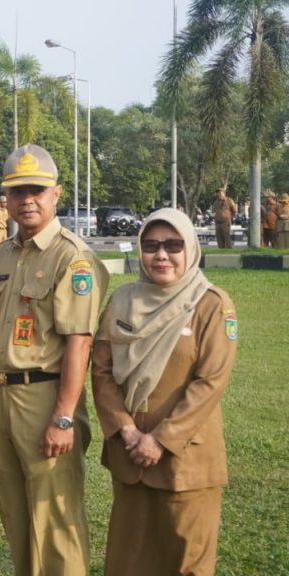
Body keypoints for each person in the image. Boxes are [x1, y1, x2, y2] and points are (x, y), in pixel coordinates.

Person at [0, 144, 109, 576]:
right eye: (17, 191)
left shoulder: (73, 256)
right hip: (3, 397)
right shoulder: (2, 254)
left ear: (56, 193)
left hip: (47, 397)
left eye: (37, 190)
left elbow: (79, 343)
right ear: (6, 198)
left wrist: (64, 417)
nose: (27, 200)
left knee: (55, 523)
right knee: (16, 517)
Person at [92, 208, 236, 575]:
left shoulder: (211, 305)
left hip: (185, 460)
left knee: (186, 562)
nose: (161, 255)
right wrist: (126, 430)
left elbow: (209, 382)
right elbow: (102, 372)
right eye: (151, 245)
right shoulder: (122, 301)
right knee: (129, 561)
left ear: (190, 248)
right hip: (130, 455)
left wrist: (160, 440)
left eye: (173, 245)